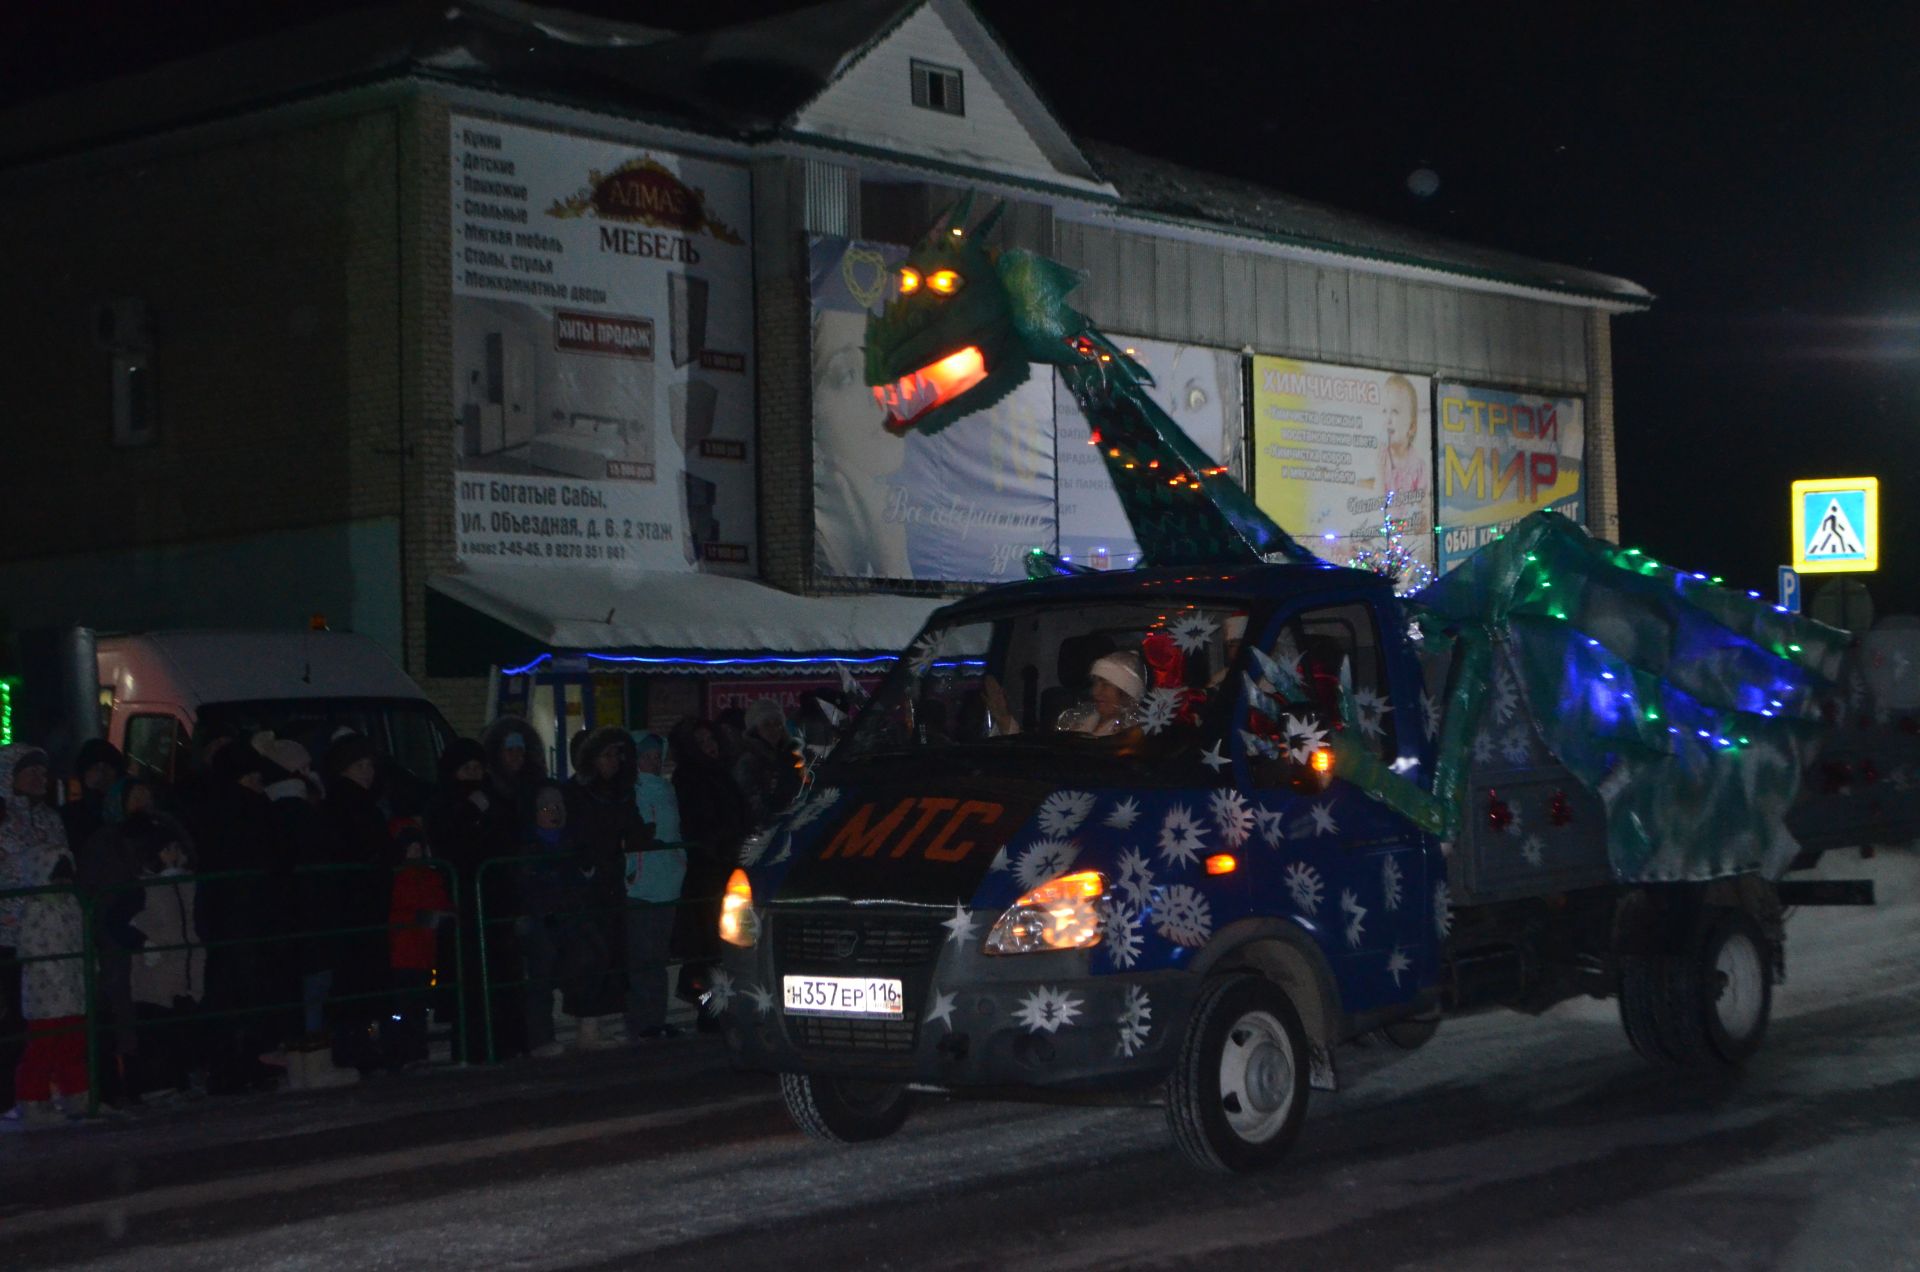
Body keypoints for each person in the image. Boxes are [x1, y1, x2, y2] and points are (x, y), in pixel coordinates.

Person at [265, 738, 358, 1090]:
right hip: (314, 915)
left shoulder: (269, 814)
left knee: (297, 990)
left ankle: (300, 1066)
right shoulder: (307, 815)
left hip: (287, 919)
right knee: (315, 988)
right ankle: (316, 1064)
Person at [3, 746, 88, 1124]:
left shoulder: (51, 819)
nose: (38, 778)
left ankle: (59, 1090)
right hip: (9, 932)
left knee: (54, 1019)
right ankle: (17, 1096)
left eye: (42, 771)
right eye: (29, 771)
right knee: (18, 1019)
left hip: (52, 929)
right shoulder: (3, 818)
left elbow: (61, 863)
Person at [565, 728, 649, 1046]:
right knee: (588, 953)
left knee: (612, 950)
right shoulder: (577, 792)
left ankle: (604, 1019)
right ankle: (588, 1023)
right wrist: (584, 865)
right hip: (586, 884)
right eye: (607, 755)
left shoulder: (620, 792)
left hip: (611, 881)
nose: (614, 761)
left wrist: (643, 834)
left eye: (618, 754)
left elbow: (631, 826)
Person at [322, 732, 394, 1073]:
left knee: (358, 978)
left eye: (369, 765)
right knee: (357, 977)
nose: (367, 772)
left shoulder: (357, 804)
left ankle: (357, 1044)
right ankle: (356, 1047)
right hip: (358, 905)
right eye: (359, 765)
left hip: (358, 904)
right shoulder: (350, 806)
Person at [128, 827, 203, 1100]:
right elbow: (126, 923)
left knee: (179, 1022)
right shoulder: (145, 887)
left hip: (185, 966)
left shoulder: (187, 883)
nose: (175, 855)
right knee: (158, 1024)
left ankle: (180, 1076)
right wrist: (145, 944)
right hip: (157, 970)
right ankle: (157, 1081)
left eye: (176, 849)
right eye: (168, 849)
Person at [624, 732, 684, 1040]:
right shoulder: (630, 791)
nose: (652, 762)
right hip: (642, 884)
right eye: (646, 756)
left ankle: (655, 1019)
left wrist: (678, 861)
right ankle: (641, 1021)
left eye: (655, 757)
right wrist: (631, 870)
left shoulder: (667, 790)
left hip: (666, 881)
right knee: (642, 956)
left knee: (657, 956)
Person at [518, 784, 584, 1058]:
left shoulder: (570, 840)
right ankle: (541, 1038)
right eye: (546, 809)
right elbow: (525, 883)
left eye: (557, 808)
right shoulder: (528, 843)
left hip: (566, 915)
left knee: (579, 966)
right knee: (541, 978)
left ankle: (585, 1027)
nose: (552, 814)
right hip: (541, 918)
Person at [383, 817, 451, 1071]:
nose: (415, 850)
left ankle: (416, 1048)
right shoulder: (396, 877)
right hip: (402, 952)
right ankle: (400, 1050)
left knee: (418, 1003)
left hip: (422, 950)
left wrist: (444, 916)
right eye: (409, 846)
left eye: (417, 846)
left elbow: (441, 903)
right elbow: (392, 912)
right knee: (401, 1005)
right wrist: (419, 918)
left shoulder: (428, 875)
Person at [733, 699, 802, 828]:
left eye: (778, 724)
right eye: (767, 725)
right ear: (755, 729)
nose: (774, 729)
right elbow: (752, 806)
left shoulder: (791, 758)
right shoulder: (748, 763)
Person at [61, 738, 126, 854]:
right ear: (83, 773)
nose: (102, 774)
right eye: (95, 768)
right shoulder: (68, 816)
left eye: (107, 767)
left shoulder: (128, 810)